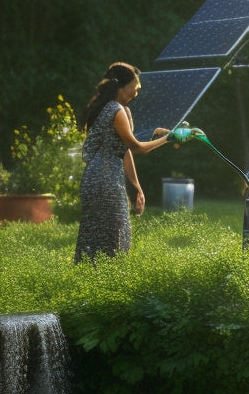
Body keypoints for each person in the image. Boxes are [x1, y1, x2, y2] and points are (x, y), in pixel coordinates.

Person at [74, 62, 192, 263]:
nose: (136, 93)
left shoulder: (109, 107)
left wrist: (137, 186)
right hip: (106, 179)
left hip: (96, 178)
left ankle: (90, 280)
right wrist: (169, 138)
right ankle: (106, 283)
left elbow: (125, 151)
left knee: (96, 238)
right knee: (114, 237)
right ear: (121, 85)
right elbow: (137, 147)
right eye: (134, 88)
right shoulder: (115, 109)